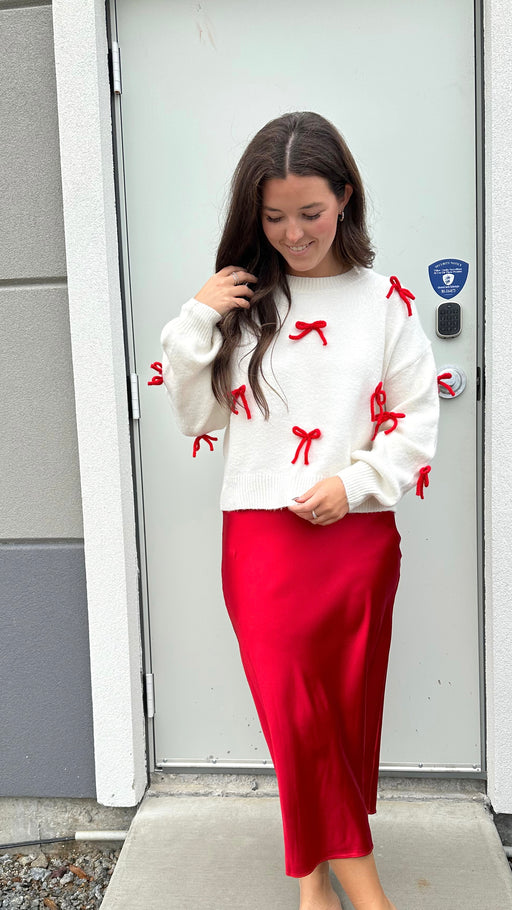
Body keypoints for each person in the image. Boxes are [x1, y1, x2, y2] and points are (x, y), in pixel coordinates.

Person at [159, 111, 439, 910]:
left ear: (344, 198)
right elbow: (193, 417)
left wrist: (351, 485)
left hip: (353, 540)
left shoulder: (382, 299)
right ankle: (370, 895)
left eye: (309, 213)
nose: (292, 233)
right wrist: (198, 318)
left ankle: (311, 878)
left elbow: (416, 419)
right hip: (260, 537)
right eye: (273, 217)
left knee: (339, 715)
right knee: (296, 712)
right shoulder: (244, 299)